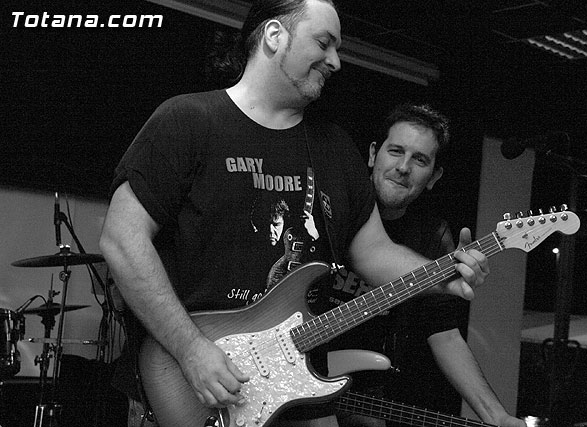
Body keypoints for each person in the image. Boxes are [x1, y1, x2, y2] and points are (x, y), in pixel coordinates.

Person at [98, 1, 489, 426]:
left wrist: (441, 275)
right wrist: (191, 349)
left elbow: (375, 251)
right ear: (274, 36)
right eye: (324, 43)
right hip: (183, 383)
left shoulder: (335, 149)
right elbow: (122, 240)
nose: (335, 61)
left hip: (293, 393)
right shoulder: (188, 120)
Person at [311, 103, 524, 427]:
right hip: (292, 368)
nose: (403, 167)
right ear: (373, 154)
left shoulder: (431, 236)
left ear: (434, 176)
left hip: (363, 391)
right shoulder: (332, 205)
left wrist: (498, 416)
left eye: (420, 159)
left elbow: (444, 335)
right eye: (396, 151)